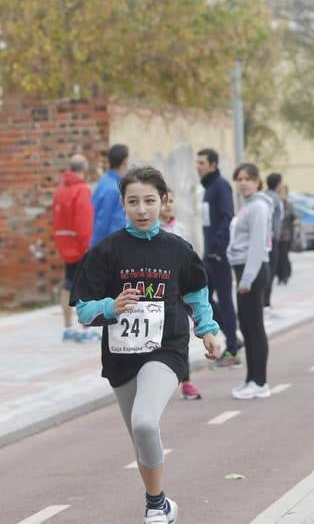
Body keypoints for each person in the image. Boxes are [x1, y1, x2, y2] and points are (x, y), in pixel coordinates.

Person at [69, 166, 222, 524]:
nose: (142, 209)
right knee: (140, 437)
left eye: (149, 201)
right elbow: (83, 311)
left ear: (163, 201)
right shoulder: (106, 252)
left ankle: (154, 504)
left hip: (165, 349)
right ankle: (161, 502)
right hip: (121, 355)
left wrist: (208, 329)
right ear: (122, 204)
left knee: (143, 423)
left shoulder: (177, 249)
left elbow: (196, 294)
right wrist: (111, 306)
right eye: (133, 202)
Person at [228, 163, 273, 399]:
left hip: (252, 271)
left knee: (254, 327)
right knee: (245, 326)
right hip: (243, 269)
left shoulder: (258, 207)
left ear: (257, 181)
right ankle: (250, 378)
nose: (243, 183)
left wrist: (246, 278)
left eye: (247, 178)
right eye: (239, 179)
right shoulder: (246, 206)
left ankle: (261, 381)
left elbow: (257, 245)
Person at [197, 148, 241, 367]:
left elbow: (227, 216)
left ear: (213, 164)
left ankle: (232, 350)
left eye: (202, 163)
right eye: (197, 163)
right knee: (202, 298)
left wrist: (217, 247)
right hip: (209, 254)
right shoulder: (208, 188)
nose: (198, 166)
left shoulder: (221, 185)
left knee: (224, 301)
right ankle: (232, 336)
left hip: (219, 254)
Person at [159, 188, 201, 400]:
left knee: (180, 337)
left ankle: (187, 381)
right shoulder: (152, 230)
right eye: (164, 202)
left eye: (171, 201)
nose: (168, 206)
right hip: (156, 295)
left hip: (177, 293)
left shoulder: (180, 229)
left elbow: (189, 260)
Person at [52, 154, 95, 342]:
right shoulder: (82, 189)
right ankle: (86, 329)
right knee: (85, 284)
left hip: (63, 240)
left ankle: (68, 327)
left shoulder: (60, 189)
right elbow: (83, 221)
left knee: (68, 283)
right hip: (78, 243)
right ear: (84, 170)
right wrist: (88, 245)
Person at [91, 144, 129, 247]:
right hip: (111, 246)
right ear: (125, 161)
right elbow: (102, 222)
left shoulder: (103, 181)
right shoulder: (113, 189)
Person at [262, 172, 284, 313]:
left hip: (271, 237)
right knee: (270, 268)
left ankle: (266, 302)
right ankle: (265, 303)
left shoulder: (267, 196)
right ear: (277, 183)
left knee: (270, 268)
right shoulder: (273, 197)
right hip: (271, 239)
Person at [275, 184, 297, 285]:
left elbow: (293, 217)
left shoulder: (289, 205)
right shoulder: (274, 204)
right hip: (276, 235)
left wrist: (295, 221)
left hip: (286, 235)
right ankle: (280, 276)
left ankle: (285, 276)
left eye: (282, 191)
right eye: (279, 191)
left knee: (284, 256)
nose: (281, 193)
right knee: (277, 256)